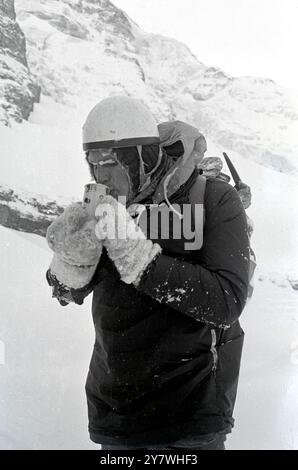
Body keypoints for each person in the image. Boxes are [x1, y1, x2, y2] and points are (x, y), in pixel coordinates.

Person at [46, 96, 250, 451]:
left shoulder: (213, 198)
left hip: (191, 416)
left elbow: (226, 300)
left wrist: (140, 259)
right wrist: (69, 267)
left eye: (111, 161)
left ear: (143, 155)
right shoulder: (105, 206)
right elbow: (68, 293)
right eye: (93, 162)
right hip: (115, 415)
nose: (101, 175)